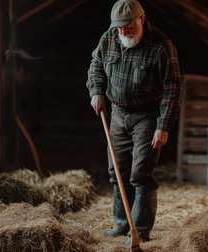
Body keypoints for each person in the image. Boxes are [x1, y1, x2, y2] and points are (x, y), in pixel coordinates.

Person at [86, 0, 182, 244]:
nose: (123, 33)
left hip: (147, 116)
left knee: (140, 172)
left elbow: (173, 87)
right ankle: (121, 224)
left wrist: (163, 125)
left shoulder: (162, 46)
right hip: (117, 113)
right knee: (116, 170)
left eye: (128, 27)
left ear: (141, 19)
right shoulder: (109, 38)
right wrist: (97, 90)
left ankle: (139, 230)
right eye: (119, 28)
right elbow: (96, 64)